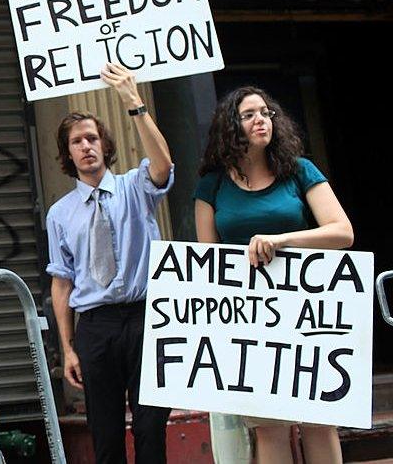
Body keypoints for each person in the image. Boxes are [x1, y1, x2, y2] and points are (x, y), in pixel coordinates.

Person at [194, 86, 354, 464]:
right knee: (269, 425)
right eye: (248, 114)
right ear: (231, 127)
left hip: (307, 311)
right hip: (249, 318)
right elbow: (208, 261)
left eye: (265, 113)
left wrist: (282, 240)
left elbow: (342, 232)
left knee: (320, 418)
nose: (260, 120)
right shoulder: (212, 185)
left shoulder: (299, 170)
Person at [47, 63, 174, 463]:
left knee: (151, 426)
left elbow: (164, 166)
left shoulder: (135, 187)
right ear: (67, 153)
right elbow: (61, 284)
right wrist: (67, 348)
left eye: (92, 138)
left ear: (104, 145)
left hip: (145, 317)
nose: (86, 146)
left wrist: (133, 101)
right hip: (96, 326)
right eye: (77, 142)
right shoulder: (59, 213)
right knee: (105, 433)